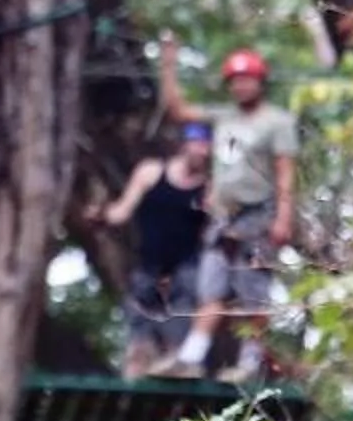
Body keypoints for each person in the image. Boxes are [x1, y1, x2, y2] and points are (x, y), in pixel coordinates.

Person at [152, 34, 298, 381]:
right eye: (235, 81)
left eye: (247, 79)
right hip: (223, 217)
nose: (241, 87)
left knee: (253, 293)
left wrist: (283, 218)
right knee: (212, 289)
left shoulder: (277, 122)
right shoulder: (224, 117)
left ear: (260, 82)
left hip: (257, 216)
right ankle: (191, 358)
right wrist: (168, 63)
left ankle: (250, 363)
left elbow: (285, 172)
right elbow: (177, 109)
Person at [101, 120, 212, 377]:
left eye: (206, 147)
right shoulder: (151, 172)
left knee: (180, 326)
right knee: (139, 328)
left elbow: (215, 229)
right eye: (196, 145)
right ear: (184, 145)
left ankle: (178, 371)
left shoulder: (208, 187)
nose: (201, 152)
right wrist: (101, 214)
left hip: (185, 267)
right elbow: (122, 210)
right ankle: (136, 371)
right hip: (149, 262)